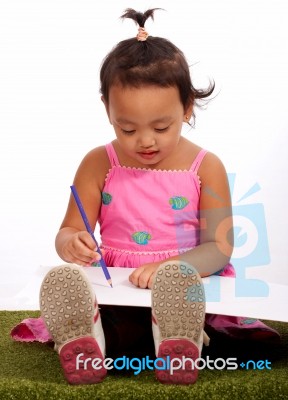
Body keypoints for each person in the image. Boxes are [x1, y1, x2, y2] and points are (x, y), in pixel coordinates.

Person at [12, 8, 279, 386]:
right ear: (107, 109)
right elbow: (69, 229)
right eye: (127, 128)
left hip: (185, 287)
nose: (145, 141)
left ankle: (180, 339)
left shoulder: (206, 166)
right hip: (117, 289)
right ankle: (90, 342)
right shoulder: (97, 162)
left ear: (186, 108)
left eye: (161, 126)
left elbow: (219, 248)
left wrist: (174, 268)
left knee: (206, 321)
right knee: (115, 319)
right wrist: (72, 242)